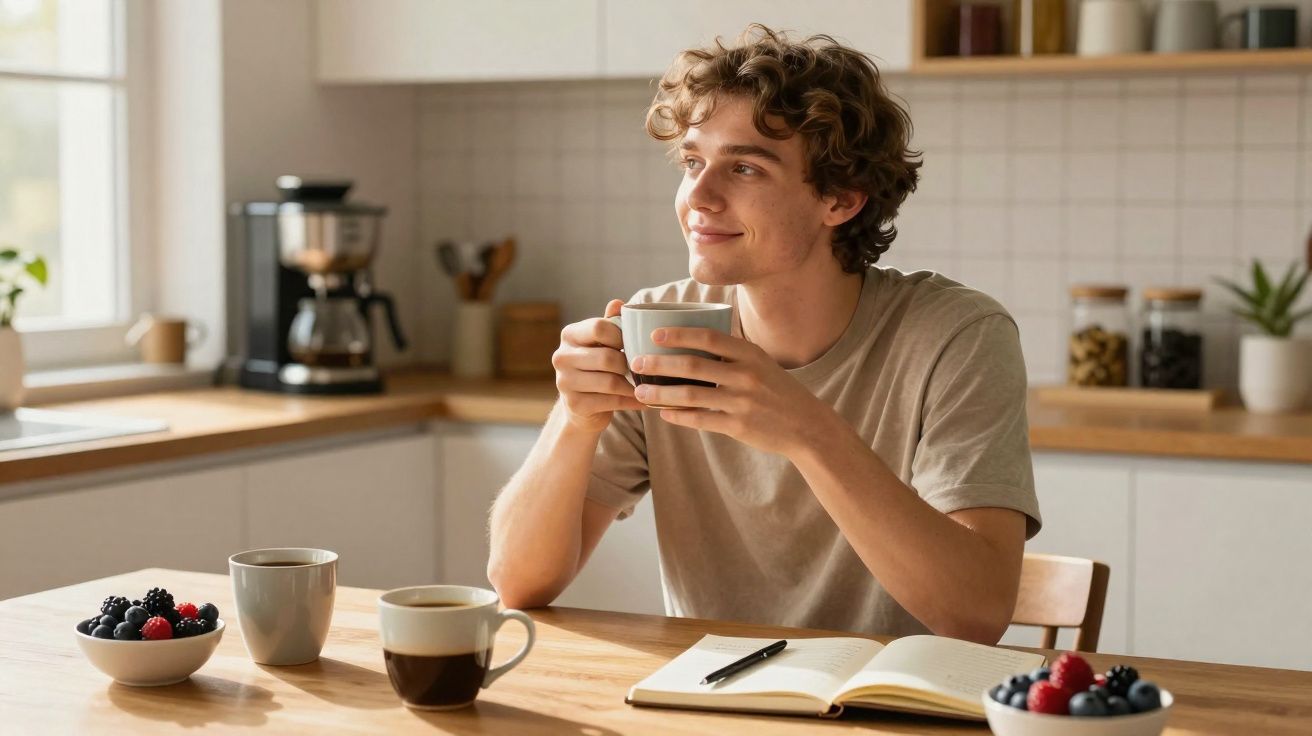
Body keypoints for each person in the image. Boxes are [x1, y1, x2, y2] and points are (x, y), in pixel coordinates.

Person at [487, 25, 1041, 644]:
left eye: (745, 167)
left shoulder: (955, 337)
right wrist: (574, 420)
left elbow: (977, 615)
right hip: (706, 699)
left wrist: (807, 431)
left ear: (841, 199)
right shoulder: (659, 328)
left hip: (890, 709)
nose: (698, 195)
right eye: (694, 161)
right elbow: (518, 584)